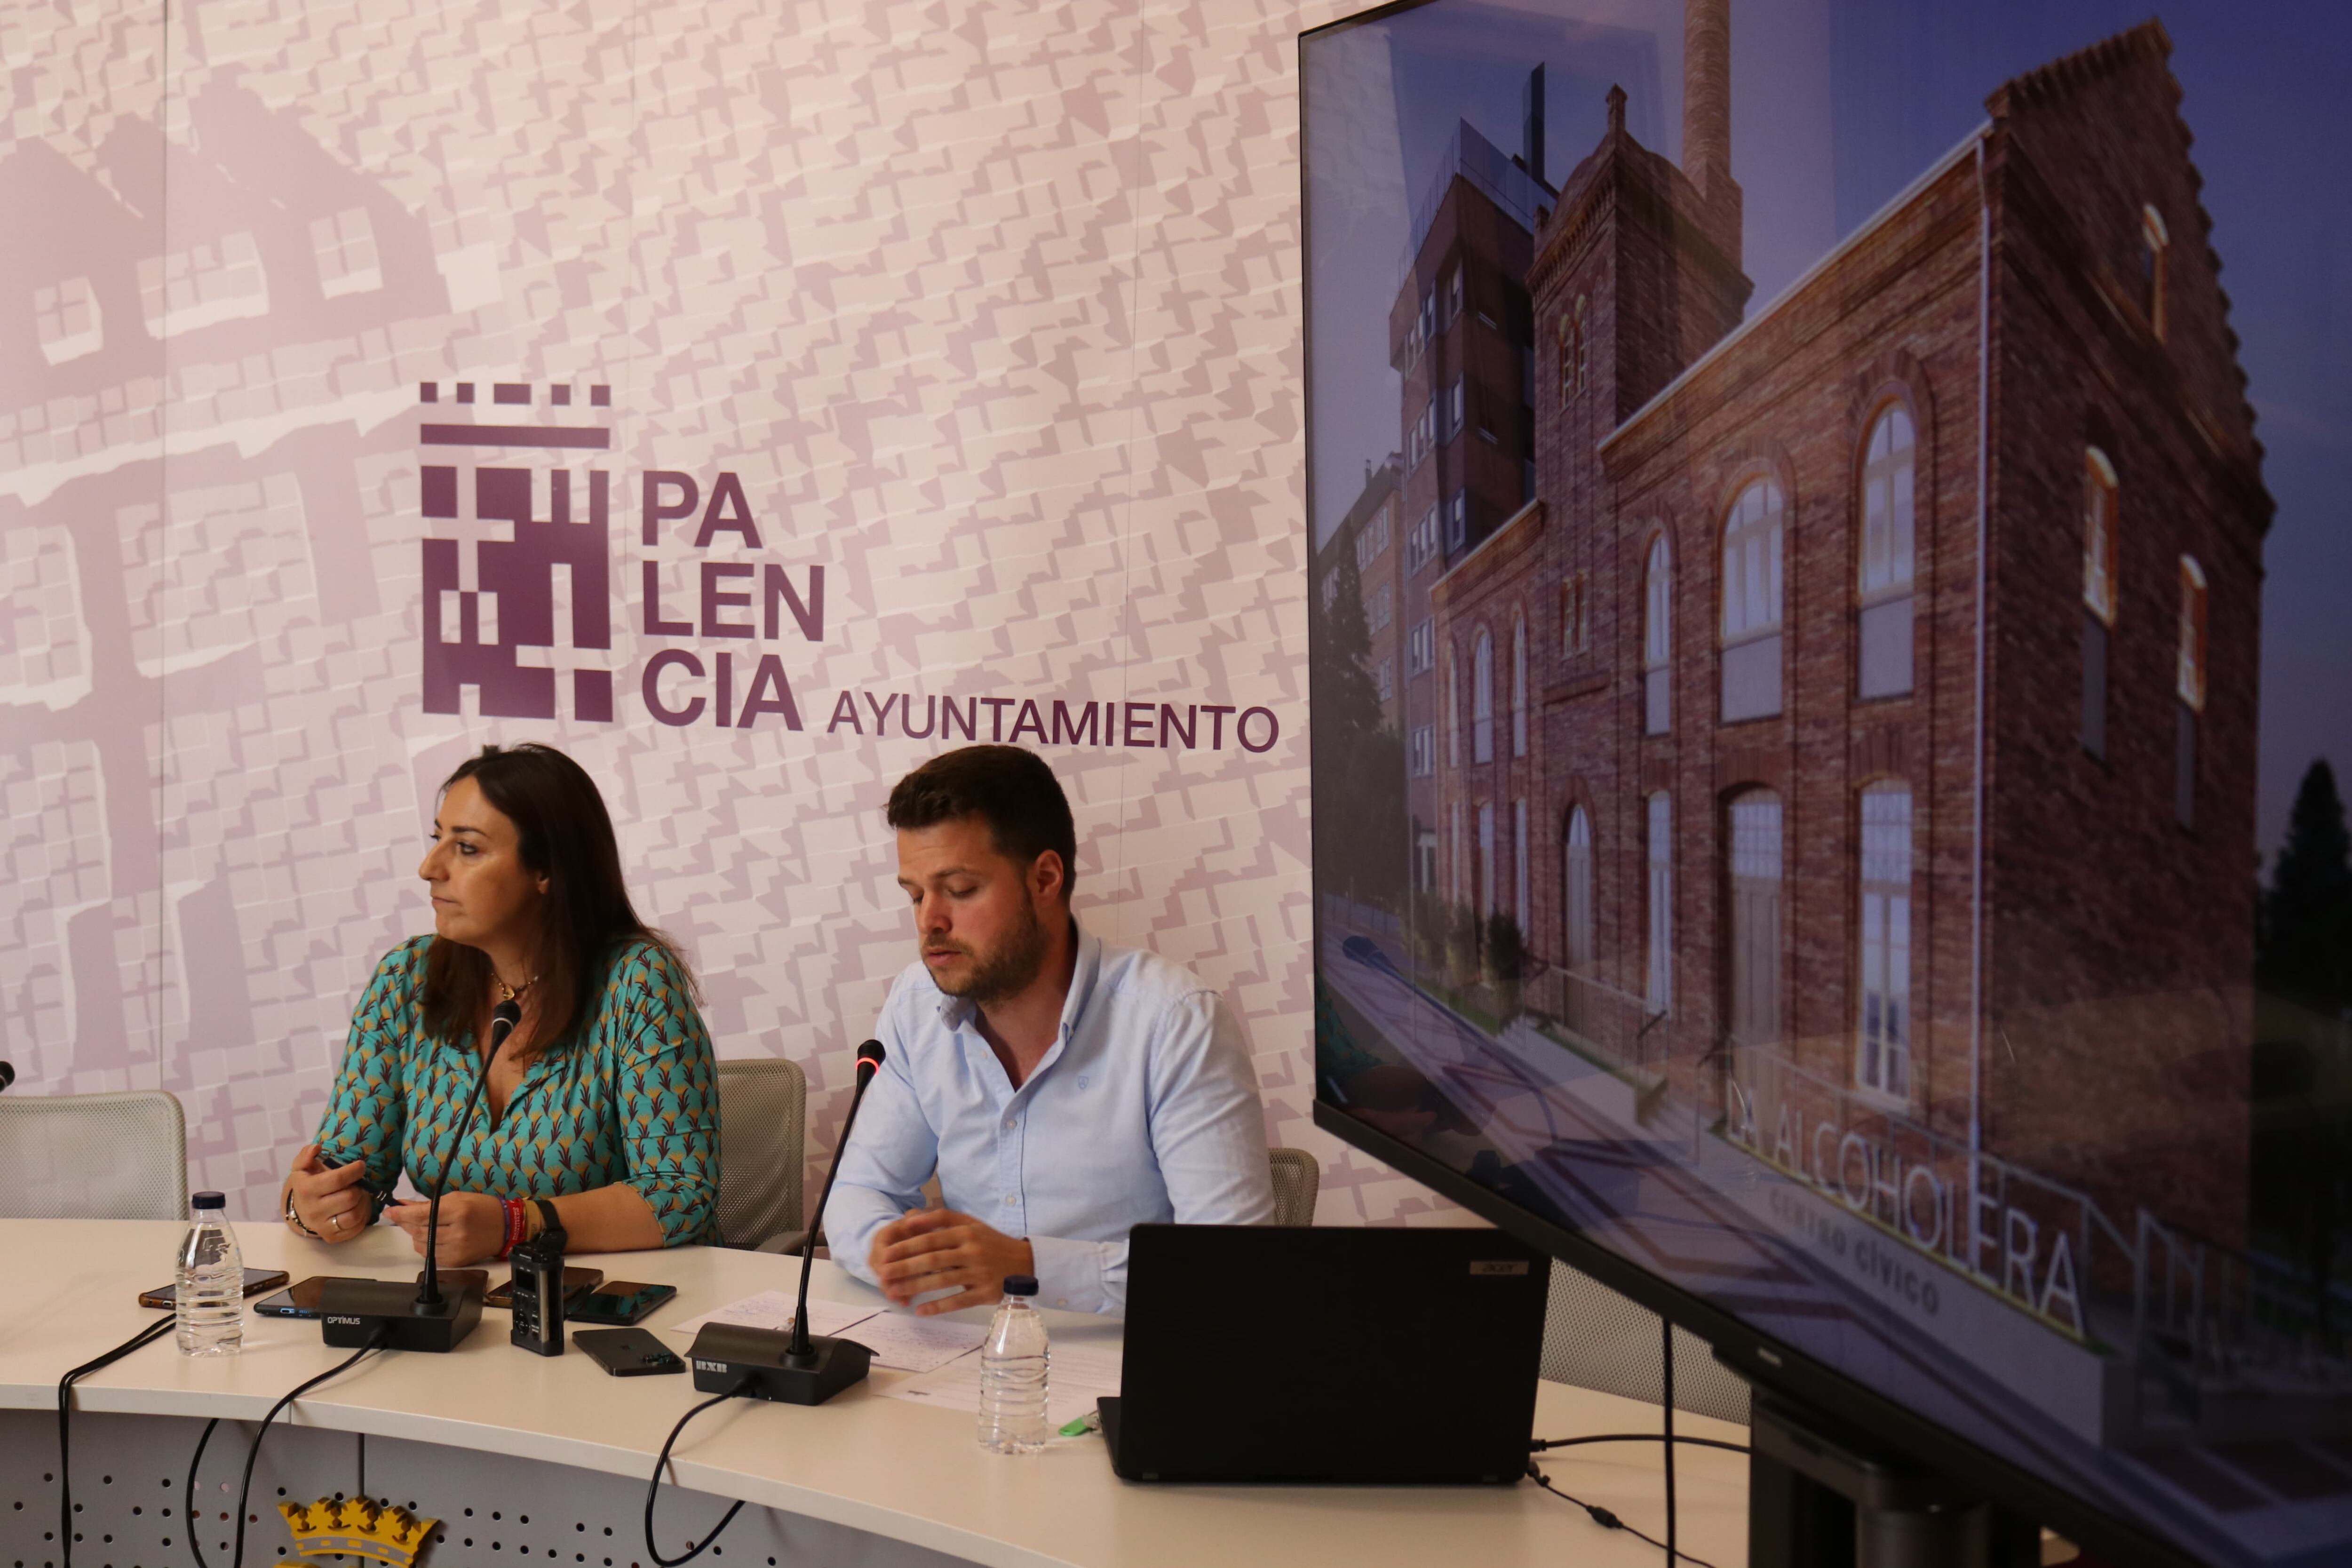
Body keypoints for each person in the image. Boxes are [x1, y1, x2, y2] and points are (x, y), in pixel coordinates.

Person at [824, 744, 1275, 1316]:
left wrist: (1030, 1270)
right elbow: (859, 1192)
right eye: (914, 894)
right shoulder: (915, 1006)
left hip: (1123, 1366)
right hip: (963, 1352)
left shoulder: (1174, 1023)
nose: (928, 921)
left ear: (1044, 878)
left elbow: (1230, 1268)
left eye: (959, 890)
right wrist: (895, 1255)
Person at [280, 742, 720, 1266]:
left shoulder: (636, 983)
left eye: (467, 849)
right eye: (437, 840)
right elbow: (347, 1169)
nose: (428, 868)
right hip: (458, 1302)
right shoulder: (406, 979)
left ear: (546, 870)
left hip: (608, 1302)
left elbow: (680, 1195)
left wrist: (517, 1225)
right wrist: (309, 1205)